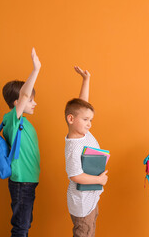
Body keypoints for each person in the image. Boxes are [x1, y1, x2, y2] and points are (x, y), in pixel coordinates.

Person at [64, 66, 109, 237]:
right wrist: (99, 179)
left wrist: (86, 80)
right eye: (86, 120)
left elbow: (81, 107)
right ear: (71, 119)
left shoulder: (82, 131)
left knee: (90, 231)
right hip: (82, 202)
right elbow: (74, 175)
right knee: (84, 232)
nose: (89, 124)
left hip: (90, 198)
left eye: (90, 120)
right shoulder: (74, 145)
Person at [2, 48, 41, 237]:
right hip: (21, 182)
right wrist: (36, 70)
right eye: (30, 99)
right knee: (21, 227)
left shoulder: (25, 123)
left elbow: (24, 97)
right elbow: (24, 96)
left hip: (28, 182)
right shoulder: (12, 119)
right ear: (17, 102)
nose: (34, 103)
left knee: (25, 224)